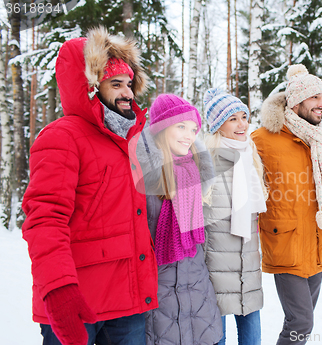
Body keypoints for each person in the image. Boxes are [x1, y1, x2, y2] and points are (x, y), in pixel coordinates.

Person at [21, 27, 158, 345]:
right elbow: (44, 219)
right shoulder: (62, 136)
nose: (127, 93)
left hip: (128, 304)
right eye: (115, 84)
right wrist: (58, 290)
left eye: (128, 84)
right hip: (78, 303)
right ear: (91, 87)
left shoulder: (130, 141)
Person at [251, 64, 322, 345]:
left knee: (301, 321)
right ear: (296, 101)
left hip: (320, 238)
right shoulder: (263, 139)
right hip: (285, 242)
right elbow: (248, 184)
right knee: (301, 321)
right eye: (315, 97)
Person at [133, 93, 223, 345]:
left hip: (198, 299)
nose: (188, 135)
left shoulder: (195, 172)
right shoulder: (142, 176)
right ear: (161, 128)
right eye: (181, 126)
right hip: (158, 300)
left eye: (193, 128)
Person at [202, 88, 268, 345]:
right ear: (218, 125)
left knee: (252, 338)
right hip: (215, 266)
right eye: (233, 119)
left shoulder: (251, 157)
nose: (242, 124)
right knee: (216, 338)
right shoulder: (207, 161)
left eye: (244, 116)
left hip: (248, 266)